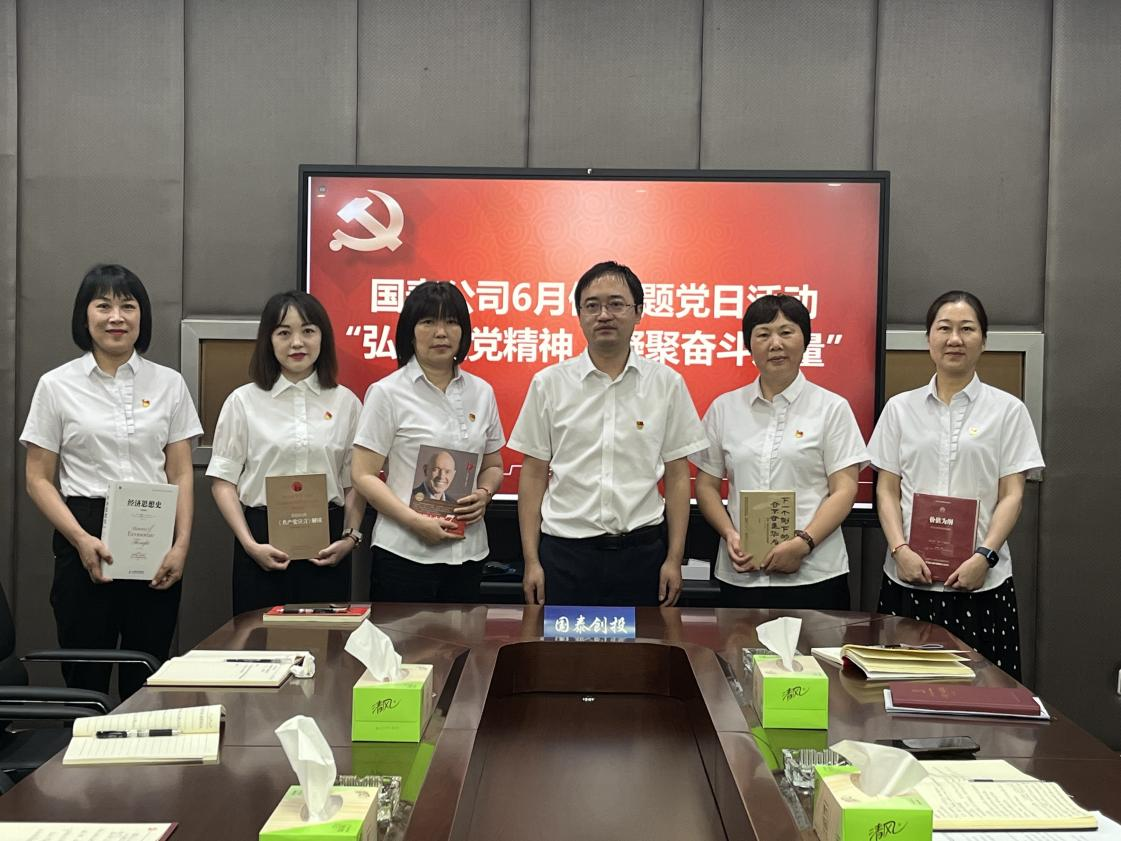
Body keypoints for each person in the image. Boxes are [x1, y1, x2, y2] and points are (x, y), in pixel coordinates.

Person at [20, 264, 202, 698]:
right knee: (86, 675)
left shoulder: (169, 384)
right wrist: (81, 539)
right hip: (83, 528)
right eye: (103, 306)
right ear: (85, 317)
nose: (116, 317)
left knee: (148, 673)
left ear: (142, 316)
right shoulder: (56, 385)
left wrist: (181, 545)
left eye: (128, 306)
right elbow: (37, 478)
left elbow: (179, 472)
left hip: (152, 531)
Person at [509, 261, 708, 607]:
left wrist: (674, 559)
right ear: (579, 314)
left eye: (616, 304)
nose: (604, 315)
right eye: (592, 305)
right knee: (561, 645)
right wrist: (531, 561)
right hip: (565, 555)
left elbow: (678, 476)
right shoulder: (549, 384)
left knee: (645, 644)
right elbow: (534, 473)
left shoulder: (666, 384)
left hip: (642, 555)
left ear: (638, 312)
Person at [868, 290, 1043, 680]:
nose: (954, 339)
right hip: (908, 577)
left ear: (984, 340)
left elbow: (1012, 494)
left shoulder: (1008, 411)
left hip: (981, 582)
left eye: (967, 329)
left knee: (983, 695)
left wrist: (985, 556)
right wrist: (899, 550)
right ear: (928, 338)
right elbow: (887, 489)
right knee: (903, 691)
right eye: (944, 328)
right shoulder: (899, 409)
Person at [693, 295, 868, 609]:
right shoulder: (724, 408)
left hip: (814, 573)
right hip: (743, 572)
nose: (775, 344)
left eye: (786, 332)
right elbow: (706, 485)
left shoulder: (831, 408)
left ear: (805, 340)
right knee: (738, 643)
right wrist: (729, 534)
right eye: (763, 334)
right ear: (749, 346)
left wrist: (803, 543)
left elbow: (845, 489)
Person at [208, 290, 363, 616]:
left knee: (325, 643)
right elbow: (223, 482)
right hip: (261, 542)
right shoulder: (243, 401)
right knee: (259, 641)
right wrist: (250, 545)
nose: (297, 342)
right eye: (284, 333)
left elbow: (355, 483)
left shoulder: (346, 402)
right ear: (268, 339)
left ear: (323, 337)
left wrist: (349, 539)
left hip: (328, 545)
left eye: (308, 331)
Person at [351, 281, 505, 603]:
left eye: (451, 321)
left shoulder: (482, 392)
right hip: (404, 552)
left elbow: (493, 465)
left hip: (468, 552)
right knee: (400, 637)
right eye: (428, 322)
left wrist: (484, 494)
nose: (441, 332)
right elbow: (363, 474)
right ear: (410, 331)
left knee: (465, 636)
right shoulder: (387, 393)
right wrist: (415, 522)